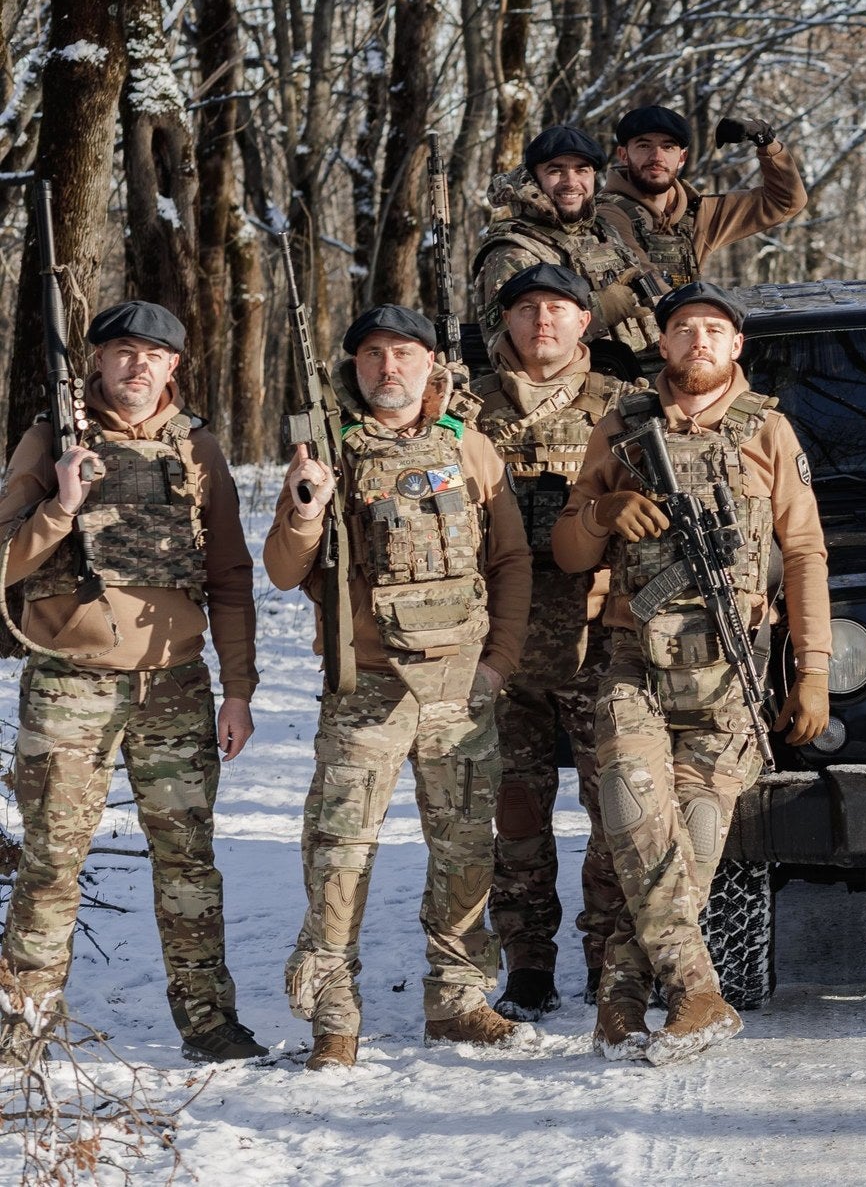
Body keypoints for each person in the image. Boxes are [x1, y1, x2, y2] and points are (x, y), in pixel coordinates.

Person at [553, 281, 831, 1063]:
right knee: (631, 807)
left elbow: (804, 552)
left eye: (714, 329)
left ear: (737, 345)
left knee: (694, 838)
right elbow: (568, 551)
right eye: (683, 327)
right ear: (663, 342)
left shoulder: (767, 428)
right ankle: (698, 991)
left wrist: (812, 670)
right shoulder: (621, 426)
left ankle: (621, 1000)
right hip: (635, 663)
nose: (698, 340)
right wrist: (603, 513)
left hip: (729, 676)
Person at [265, 304, 533, 1070]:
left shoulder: (469, 447)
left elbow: (510, 560)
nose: (390, 367)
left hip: (458, 686)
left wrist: (498, 662)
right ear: (355, 367)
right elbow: (283, 570)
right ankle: (333, 1011)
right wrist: (306, 507)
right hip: (368, 689)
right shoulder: (329, 451)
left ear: (431, 362)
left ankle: (457, 999)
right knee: (339, 851)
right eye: (374, 354)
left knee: (465, 848)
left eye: (404, 352)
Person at [0, 301, 263, 1066]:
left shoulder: (198, 447)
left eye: (153, 353)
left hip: (174, 686)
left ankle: (209, 1022)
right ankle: (21, 1028)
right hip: (70, 685)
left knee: (188, 861)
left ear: (174, 364)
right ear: (97, 360)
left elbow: (230, 576)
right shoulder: (52, 440)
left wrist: (238, 688)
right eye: (122, 350)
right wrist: (61, 506)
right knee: (52, 861)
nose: (137, 365)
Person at [470, 264, 630, 1018]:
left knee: (614, 811)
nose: (542, 321)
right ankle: (528, 959)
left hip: (596, 644)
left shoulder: (625, 408)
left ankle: (609, 957)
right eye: (527, 307)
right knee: (516, 815)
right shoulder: (463, 407)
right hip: (497, 645)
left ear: (584, 322)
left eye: (559, 308)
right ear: (504, 320)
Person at [470, 124, 661, 357]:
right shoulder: (515, 251)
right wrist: (598, 310)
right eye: (556, 171)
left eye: (582, 170)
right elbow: (511, 349)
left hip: (638, 367)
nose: (571, 181)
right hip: (574, 379)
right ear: (534, 178)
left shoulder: (604, 231)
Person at [596, 105, 807, 285]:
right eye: (644, 146)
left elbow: (785, 201)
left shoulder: (697, 214)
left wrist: (766, 142)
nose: (657, 157)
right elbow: (642, 277)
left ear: (682, 158)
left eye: (668, 147)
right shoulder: (605, 214)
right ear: (623, 155)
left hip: (687, 320)